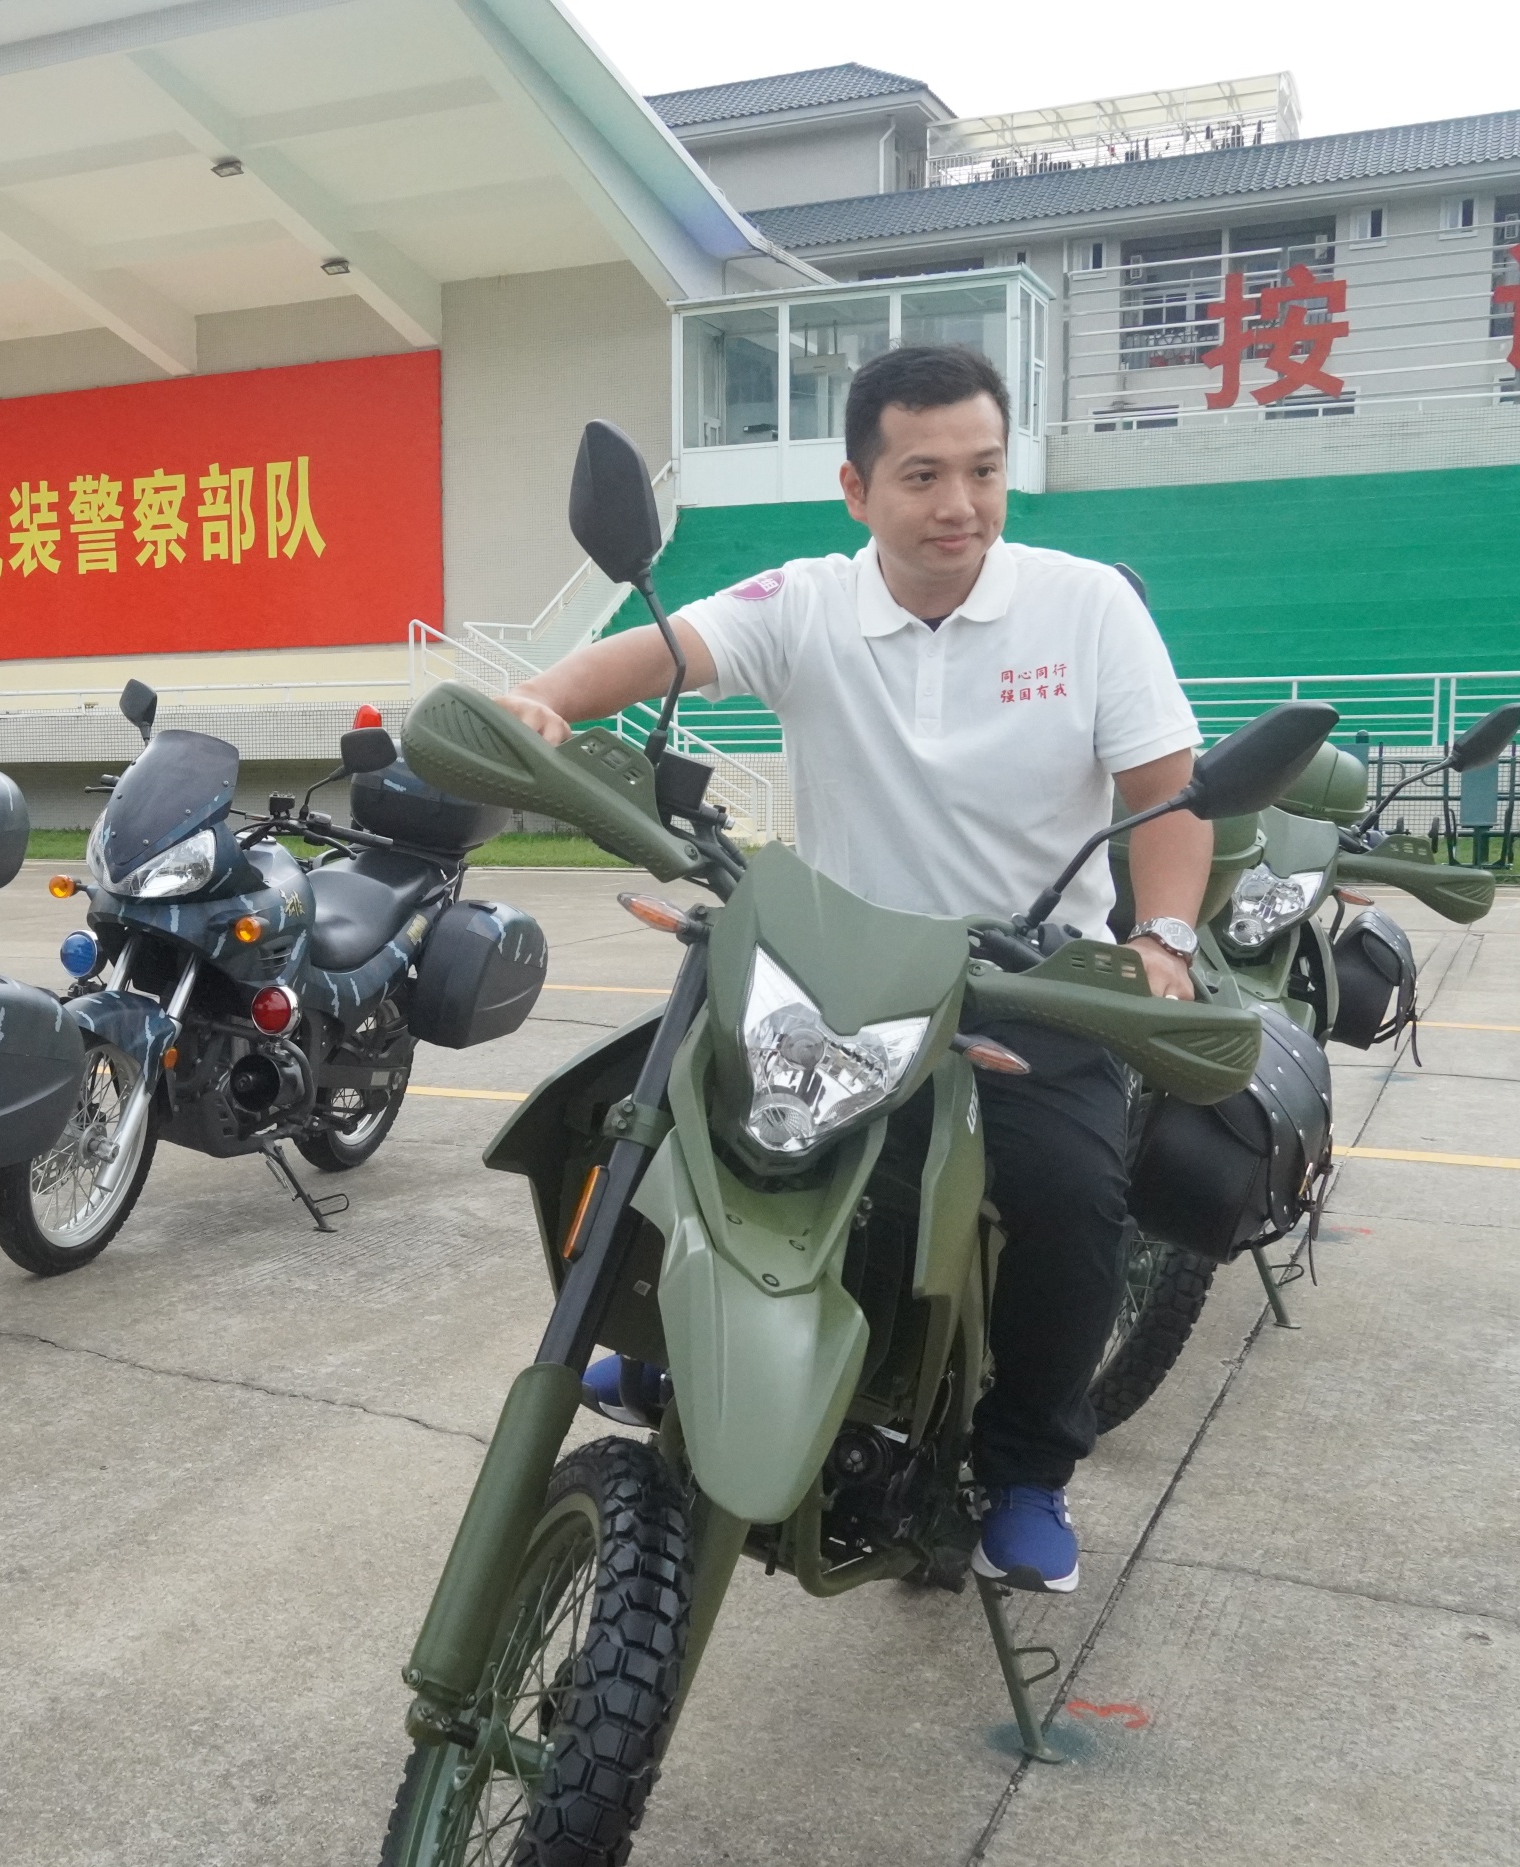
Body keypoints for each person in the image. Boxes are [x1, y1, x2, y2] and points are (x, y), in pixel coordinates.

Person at [499, 345, 1210, 1595]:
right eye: (923, 474)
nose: (959, 506)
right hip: (834, 967)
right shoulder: (811, 601)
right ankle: (665, 1355)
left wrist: (1161, 940)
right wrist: (547, 700)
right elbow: (668, 649)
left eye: (984, 471)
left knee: (1066, 1200)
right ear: (856, 486)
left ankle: (1029, 1471)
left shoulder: (1088, 604)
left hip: (1023, 977)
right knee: (675, 1131)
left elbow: (1165, 793)